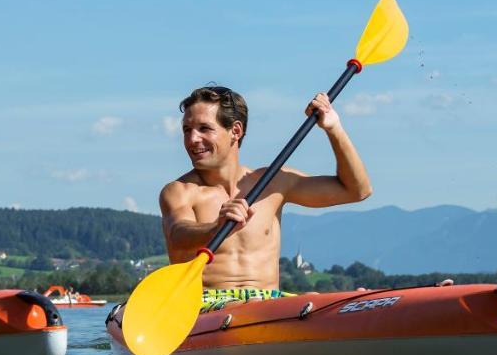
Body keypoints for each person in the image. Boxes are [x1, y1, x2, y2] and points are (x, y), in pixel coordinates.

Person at [159, 85, 372, 311]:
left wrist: (333, 128)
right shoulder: (179, 191)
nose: (192, 139)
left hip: (270, 301)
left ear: (236, 131)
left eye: (204, 128)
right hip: (207, 304)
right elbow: (177, 234)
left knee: (314, 298)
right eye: (186, 130)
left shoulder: (274, 182)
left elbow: (357, 190)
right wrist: (215, 229)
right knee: (280, 304)